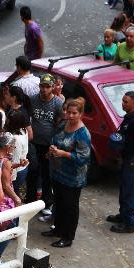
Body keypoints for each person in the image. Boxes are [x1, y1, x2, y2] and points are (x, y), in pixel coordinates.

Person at [42, 98, 91, 248]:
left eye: (74, 113)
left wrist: (64, 154)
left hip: (73, 177)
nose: (70, 115)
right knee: (59, 202)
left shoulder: (82, 133)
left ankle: (67, 237)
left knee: (70, 207)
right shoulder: (64, 124)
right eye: (68, 112)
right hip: (58, 172)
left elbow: (83, 158)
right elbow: (56, 139)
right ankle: (58, 229)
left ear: (81, 114)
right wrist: (52, 149)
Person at [107, 92, 134, 233]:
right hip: (127, 159)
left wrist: (129, 146)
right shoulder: (128, 118)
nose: (123, 103)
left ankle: (129, 223)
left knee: (130, 191)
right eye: (122, 101)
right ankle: (123, 215)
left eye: (126, 102)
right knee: (124, 189)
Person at [25, 73, 63, 214]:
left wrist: (54, 145)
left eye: (47, 86)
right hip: (34, 143)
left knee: (47, 175)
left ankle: (47, 203)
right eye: (42, 86)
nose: (44, 89)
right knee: (32, 172)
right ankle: (30, 201)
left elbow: (60, 123)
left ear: (52, 87)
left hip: (48, 145)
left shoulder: (58, 103)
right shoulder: (33, 99)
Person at [0, 133, 21, 266]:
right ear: (7, 147)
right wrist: (17, 199)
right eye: (13, 145)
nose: (14, 147)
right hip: (3, 198)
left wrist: (16, 165)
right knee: (10, 226)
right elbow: (6, 185)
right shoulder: (5, 161)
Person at [6, 111, 30, 198]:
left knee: (13, 195)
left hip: (16, 171)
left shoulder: (15, 139)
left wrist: (11, 178)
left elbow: (15, 159)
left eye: (9, 119)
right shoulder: (24, 130)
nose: (6, 120)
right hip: (22, 168)